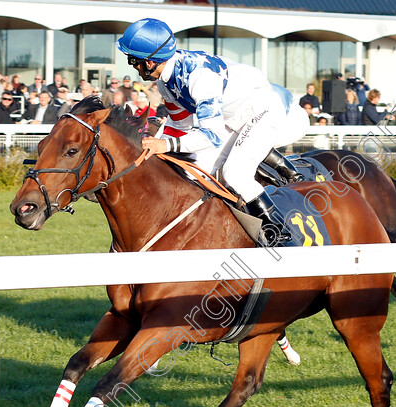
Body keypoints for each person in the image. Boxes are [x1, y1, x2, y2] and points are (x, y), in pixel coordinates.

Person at [116, 18, 310, 245]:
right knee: (192, 172)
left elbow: (212, 136)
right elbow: (180, 126)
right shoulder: (165, 83)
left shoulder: (200, 78)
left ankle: (281, 235)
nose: (133, 67)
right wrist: (152, 149)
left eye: (133, 61)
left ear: (149, 62)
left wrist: (165, 146)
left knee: (235, 175)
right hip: (232, 117)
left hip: (265, 110)